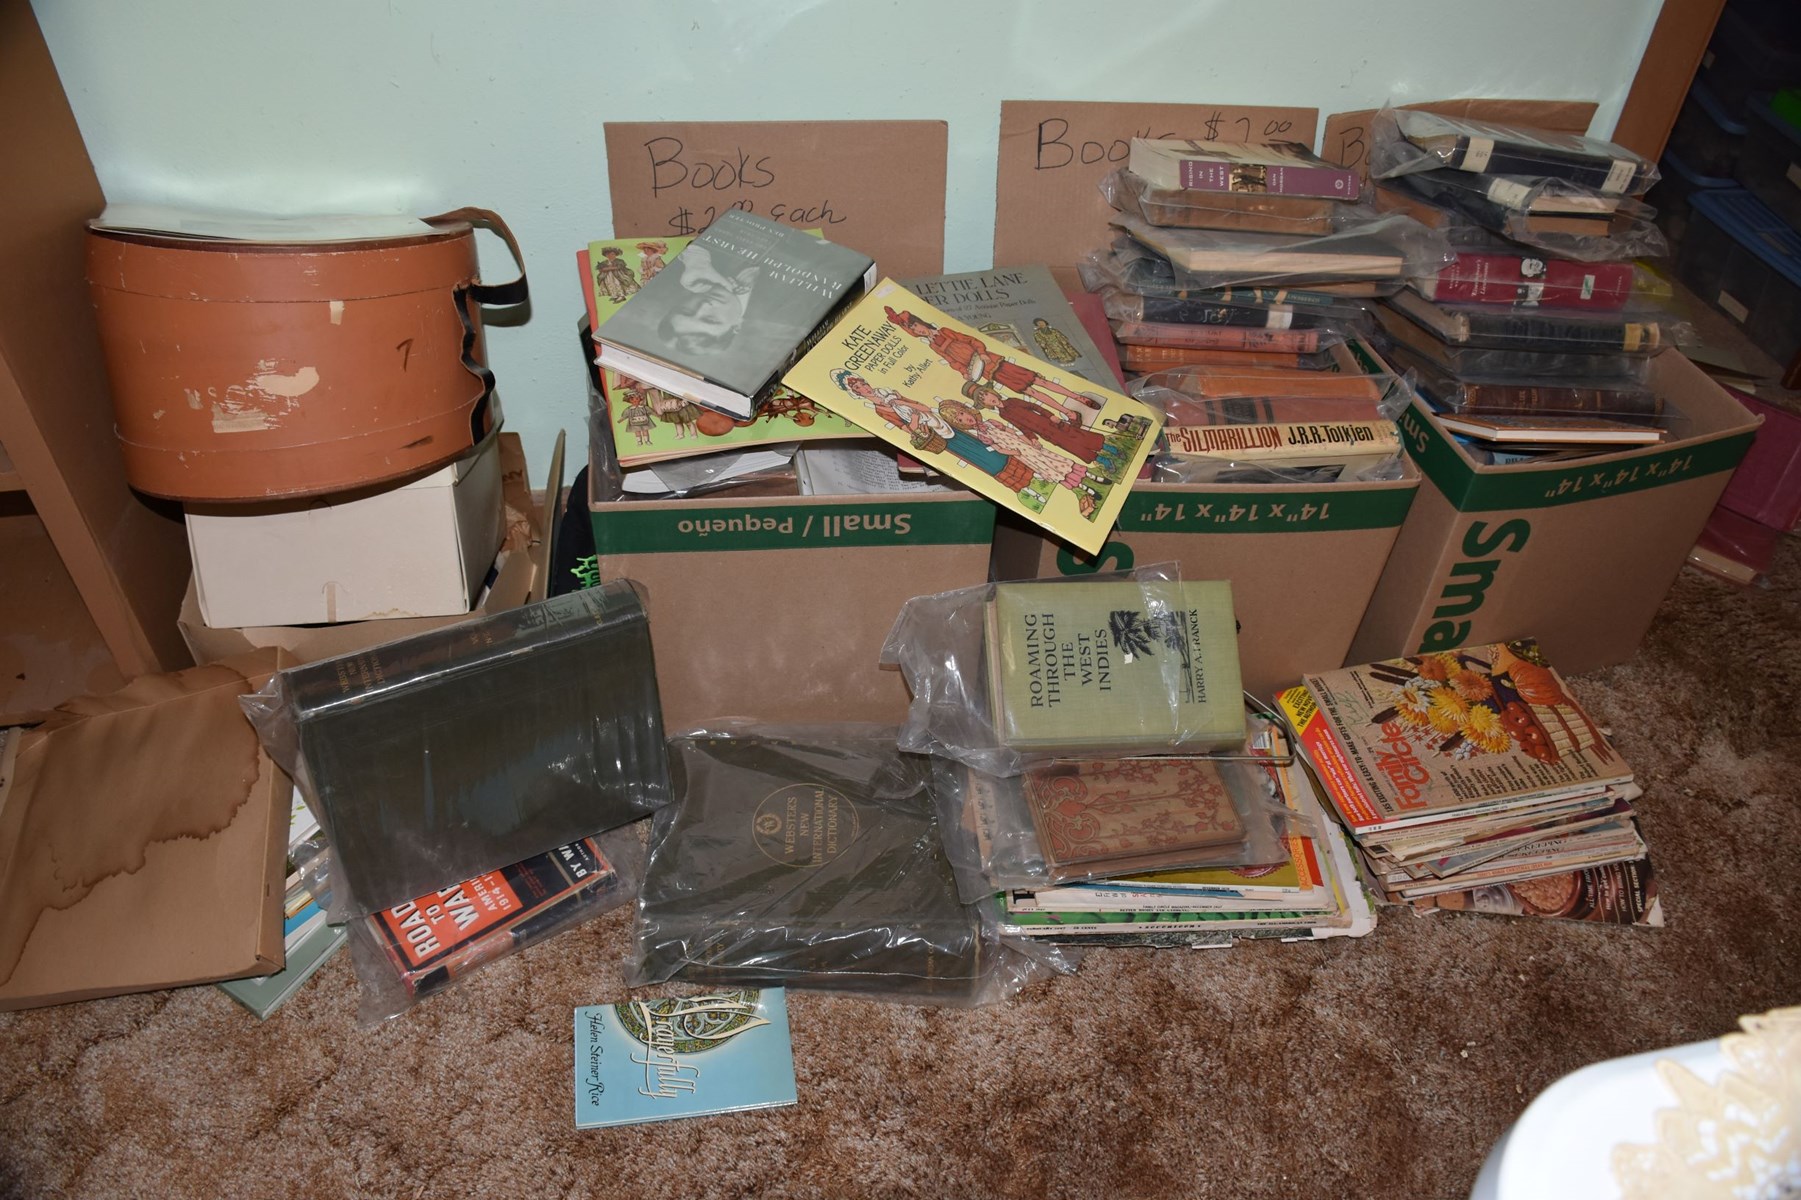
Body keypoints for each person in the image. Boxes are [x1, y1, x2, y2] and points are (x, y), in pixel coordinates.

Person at [883, 307, 1104, 422]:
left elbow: (972, 340)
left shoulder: (944, 331)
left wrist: (982, 353)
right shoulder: (933, 345)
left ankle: (1078, 398)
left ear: (921, 323)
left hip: (992, 361)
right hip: (985, 373)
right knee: (1031, 392)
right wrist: (964, 372)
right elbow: (953, 362)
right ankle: (1067, 412)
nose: (919, 330)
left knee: (1038, 381)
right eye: (914, 330)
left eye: (917, 326)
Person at [829, 370, 1035, 491]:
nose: (864, 388)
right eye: (858, 388)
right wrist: (914, 420)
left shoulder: (890, 393)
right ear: (856, 393)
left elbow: (924, 408)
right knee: (975, 457)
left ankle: (1026, 471)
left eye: (863, 384)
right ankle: (1015, 482)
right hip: (937, 437)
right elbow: (908, 429)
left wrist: (901, 401)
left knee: (983, 446)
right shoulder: (880, 410)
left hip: (944, 425)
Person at [657, 242, 759, 355]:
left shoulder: (671, 269)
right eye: (711, 320)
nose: (704, 305)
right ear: (737, 326)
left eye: (686, 311)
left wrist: (697, 259)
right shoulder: (773, 309)